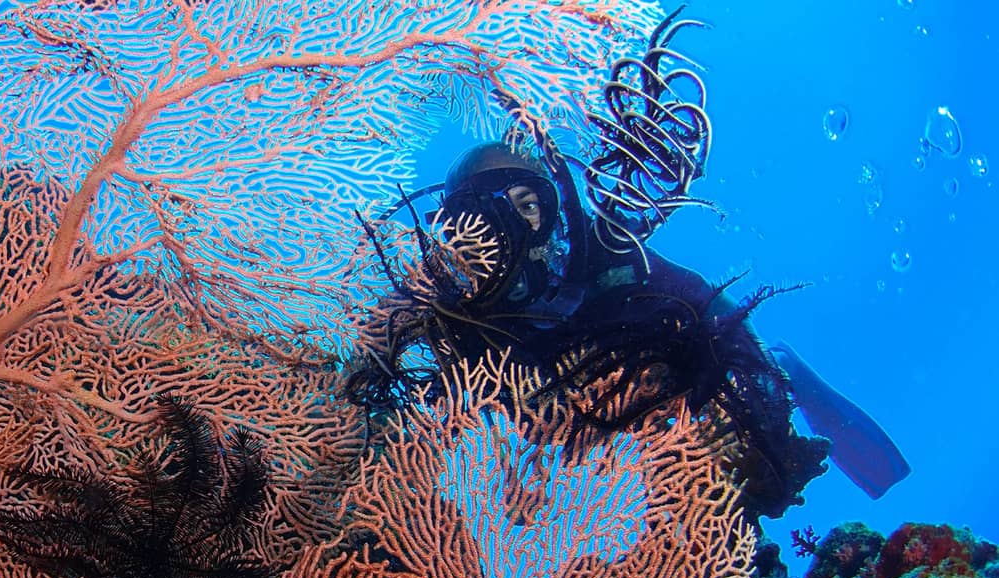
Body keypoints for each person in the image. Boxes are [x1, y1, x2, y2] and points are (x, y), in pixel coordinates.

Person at [353, 140, 908, 521]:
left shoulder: (609, 257)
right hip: (575, 470)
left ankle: (789, 364)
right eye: (481, 217)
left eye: (527, 206)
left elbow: (710, 311)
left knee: (765, 392)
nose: (510, 231)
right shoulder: (454, 315)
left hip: (674, 436)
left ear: (553, 207)